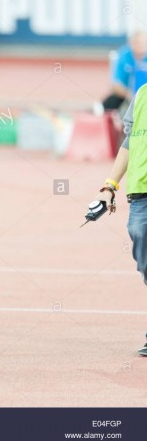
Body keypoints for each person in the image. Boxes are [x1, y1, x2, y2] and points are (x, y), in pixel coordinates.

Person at [94, 83, 147, 356]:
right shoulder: (141, 94)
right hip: (140, 193)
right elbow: (130, 141)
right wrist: (110, 185)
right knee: (144, 257)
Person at [102, 31, 147, 111]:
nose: (140, 45)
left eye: (143, 43)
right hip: (128, 94)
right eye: (137, 43)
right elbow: (115, 85)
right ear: (131, 43)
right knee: (109, 103)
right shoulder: (124, 56)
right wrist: (129, 94)